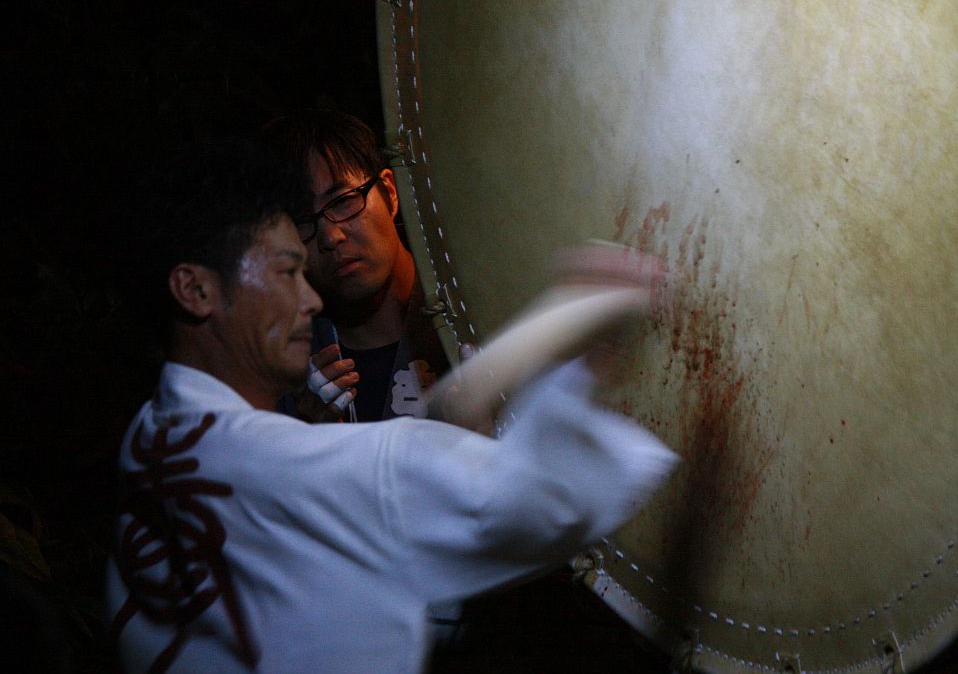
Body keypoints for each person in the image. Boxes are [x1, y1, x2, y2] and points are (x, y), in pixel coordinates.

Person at [106, 137, 678, 673]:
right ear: (196, 290)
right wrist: (577, 342)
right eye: (286, 271)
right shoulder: (266, 462)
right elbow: (527, 500)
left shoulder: (152, 440)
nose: (310, 299)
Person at [262, 111, 448, 424]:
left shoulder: (469, 308)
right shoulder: (285, 375)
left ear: (389, 193)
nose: (331, 237)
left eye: (343, 201)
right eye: (303, 223)